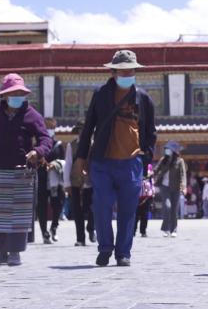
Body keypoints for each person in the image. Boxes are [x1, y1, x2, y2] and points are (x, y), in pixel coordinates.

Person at [73, 49, 157, 267]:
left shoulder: (144, 98)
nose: (127, 74)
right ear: (113, 72)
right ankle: (105, 248)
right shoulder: (100, 95)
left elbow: (151, 132)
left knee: (129, 210)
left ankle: (123, 253)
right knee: (101, 206)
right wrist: (81, 157)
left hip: (132, 163)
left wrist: (146, 157)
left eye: (131, 70)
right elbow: (89, 126)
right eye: (122, 70)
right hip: (103, 161)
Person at [0, 73, 52, 266]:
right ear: (4, 96)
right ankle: (0, 252)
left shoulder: (33, 115)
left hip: (21, 173)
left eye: (20, 92)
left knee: (17, 215)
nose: (17, 96)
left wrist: (37, 152)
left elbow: (46, 139)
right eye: (13, 92)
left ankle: (15, 252)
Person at [64, 120, 95, 246]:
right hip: (76, 182)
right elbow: (68, 164)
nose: (82, 132)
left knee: (93, 209)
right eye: (80, 130)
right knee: (77, 211)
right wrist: (67, 184)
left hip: (92, 182)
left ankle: (91, 228)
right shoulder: (72, 145)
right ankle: (80, 238)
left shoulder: (95, 145)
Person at [36, 117, 66, 244]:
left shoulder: (59, 146)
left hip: (55, 180)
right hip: (42, 179)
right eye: (47, 127)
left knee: (57, 204)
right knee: (42, 206)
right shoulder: (38, 146)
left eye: (51, 128)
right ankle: (44, 233)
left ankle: (54, 226)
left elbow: (64, 162)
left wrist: (55, 165)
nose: (49, 130)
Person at [153, 141, 187, 237]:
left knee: (174, 209)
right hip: (164, 187)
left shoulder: (180, 161)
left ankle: (174, 229)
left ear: (174, 151)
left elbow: (183, 175)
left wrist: (183, 187)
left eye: (169, 149)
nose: (167, 151)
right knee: (167, 207)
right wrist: (149, 174)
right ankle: (166, 228)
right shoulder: (164, 159)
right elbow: (156, 170)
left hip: (175, 188)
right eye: (166, 149)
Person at [134, 164, 155, 237]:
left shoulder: (149, 166)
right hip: (137, 196)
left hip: (147, 197)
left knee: (145, 216)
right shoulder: (137, 164)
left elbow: (152, 185)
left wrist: (152, 195)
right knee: (135, 215)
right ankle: (133, 231)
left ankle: (143, 231)